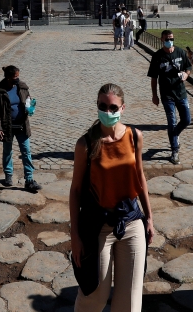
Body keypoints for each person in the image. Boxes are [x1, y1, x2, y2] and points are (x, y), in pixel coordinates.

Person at [69, 84, 153, 312]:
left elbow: (140, 176)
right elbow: (76, 191)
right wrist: (75, 236)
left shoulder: (134, 136)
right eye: (102, 106)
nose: (108, 111)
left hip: (132, 220)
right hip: (99, 226)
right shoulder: (85, 144)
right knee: (95, 293)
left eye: (113, 107)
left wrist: (149, 218)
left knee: (130, 300)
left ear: (122, 108)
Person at [0, 66, 41, 192]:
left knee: (26, 151)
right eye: (15, 77)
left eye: (18, 76)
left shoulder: (22, 87)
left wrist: (30, 106)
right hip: (7, 127)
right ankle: (8, 176)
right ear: (8, 77)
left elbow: (28, 100)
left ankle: (29, 179)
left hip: (22, 125)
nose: (17, 79)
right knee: (7, 151)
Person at [147, 30, 192, 165]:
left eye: (171, 38)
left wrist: (186, 75)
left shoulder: (180, 52)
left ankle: (175, 134)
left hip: (181, 93)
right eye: (166, 38)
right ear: (162, 39)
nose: (169, 40)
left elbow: (188, 67)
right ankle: (174, 150)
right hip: (167, 95)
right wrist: (154, 95)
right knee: (171, 122)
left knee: (187, 120)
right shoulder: (157, 56)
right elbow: (154, 77)